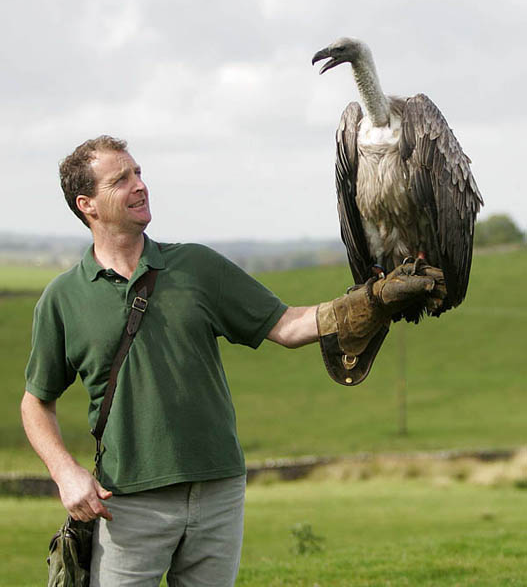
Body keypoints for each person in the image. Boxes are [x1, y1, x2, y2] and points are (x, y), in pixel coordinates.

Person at [21, 135, 445, 587]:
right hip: (126, 501)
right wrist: (65, 472)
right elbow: (35, 402)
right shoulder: (63, 298)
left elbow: (286, 325)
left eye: (139, 172)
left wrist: (373, 301)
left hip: (218, 491)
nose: (139, 185)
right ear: (87, 204)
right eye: (120, 180)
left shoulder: (197, 267)